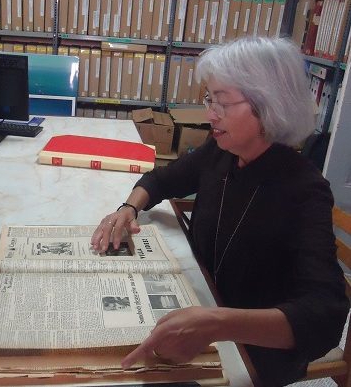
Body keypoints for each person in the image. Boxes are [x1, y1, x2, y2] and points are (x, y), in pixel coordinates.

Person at [90, 37, 349, 386]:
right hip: (200, 299)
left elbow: (326, 315)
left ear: (267, 105)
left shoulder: (304, 189)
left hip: (252, 348)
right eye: (209, 99)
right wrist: (129, 208)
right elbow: (162, 179)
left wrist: (219, 323)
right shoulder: (222, 150)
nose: (210, 113)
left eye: (222, 103)